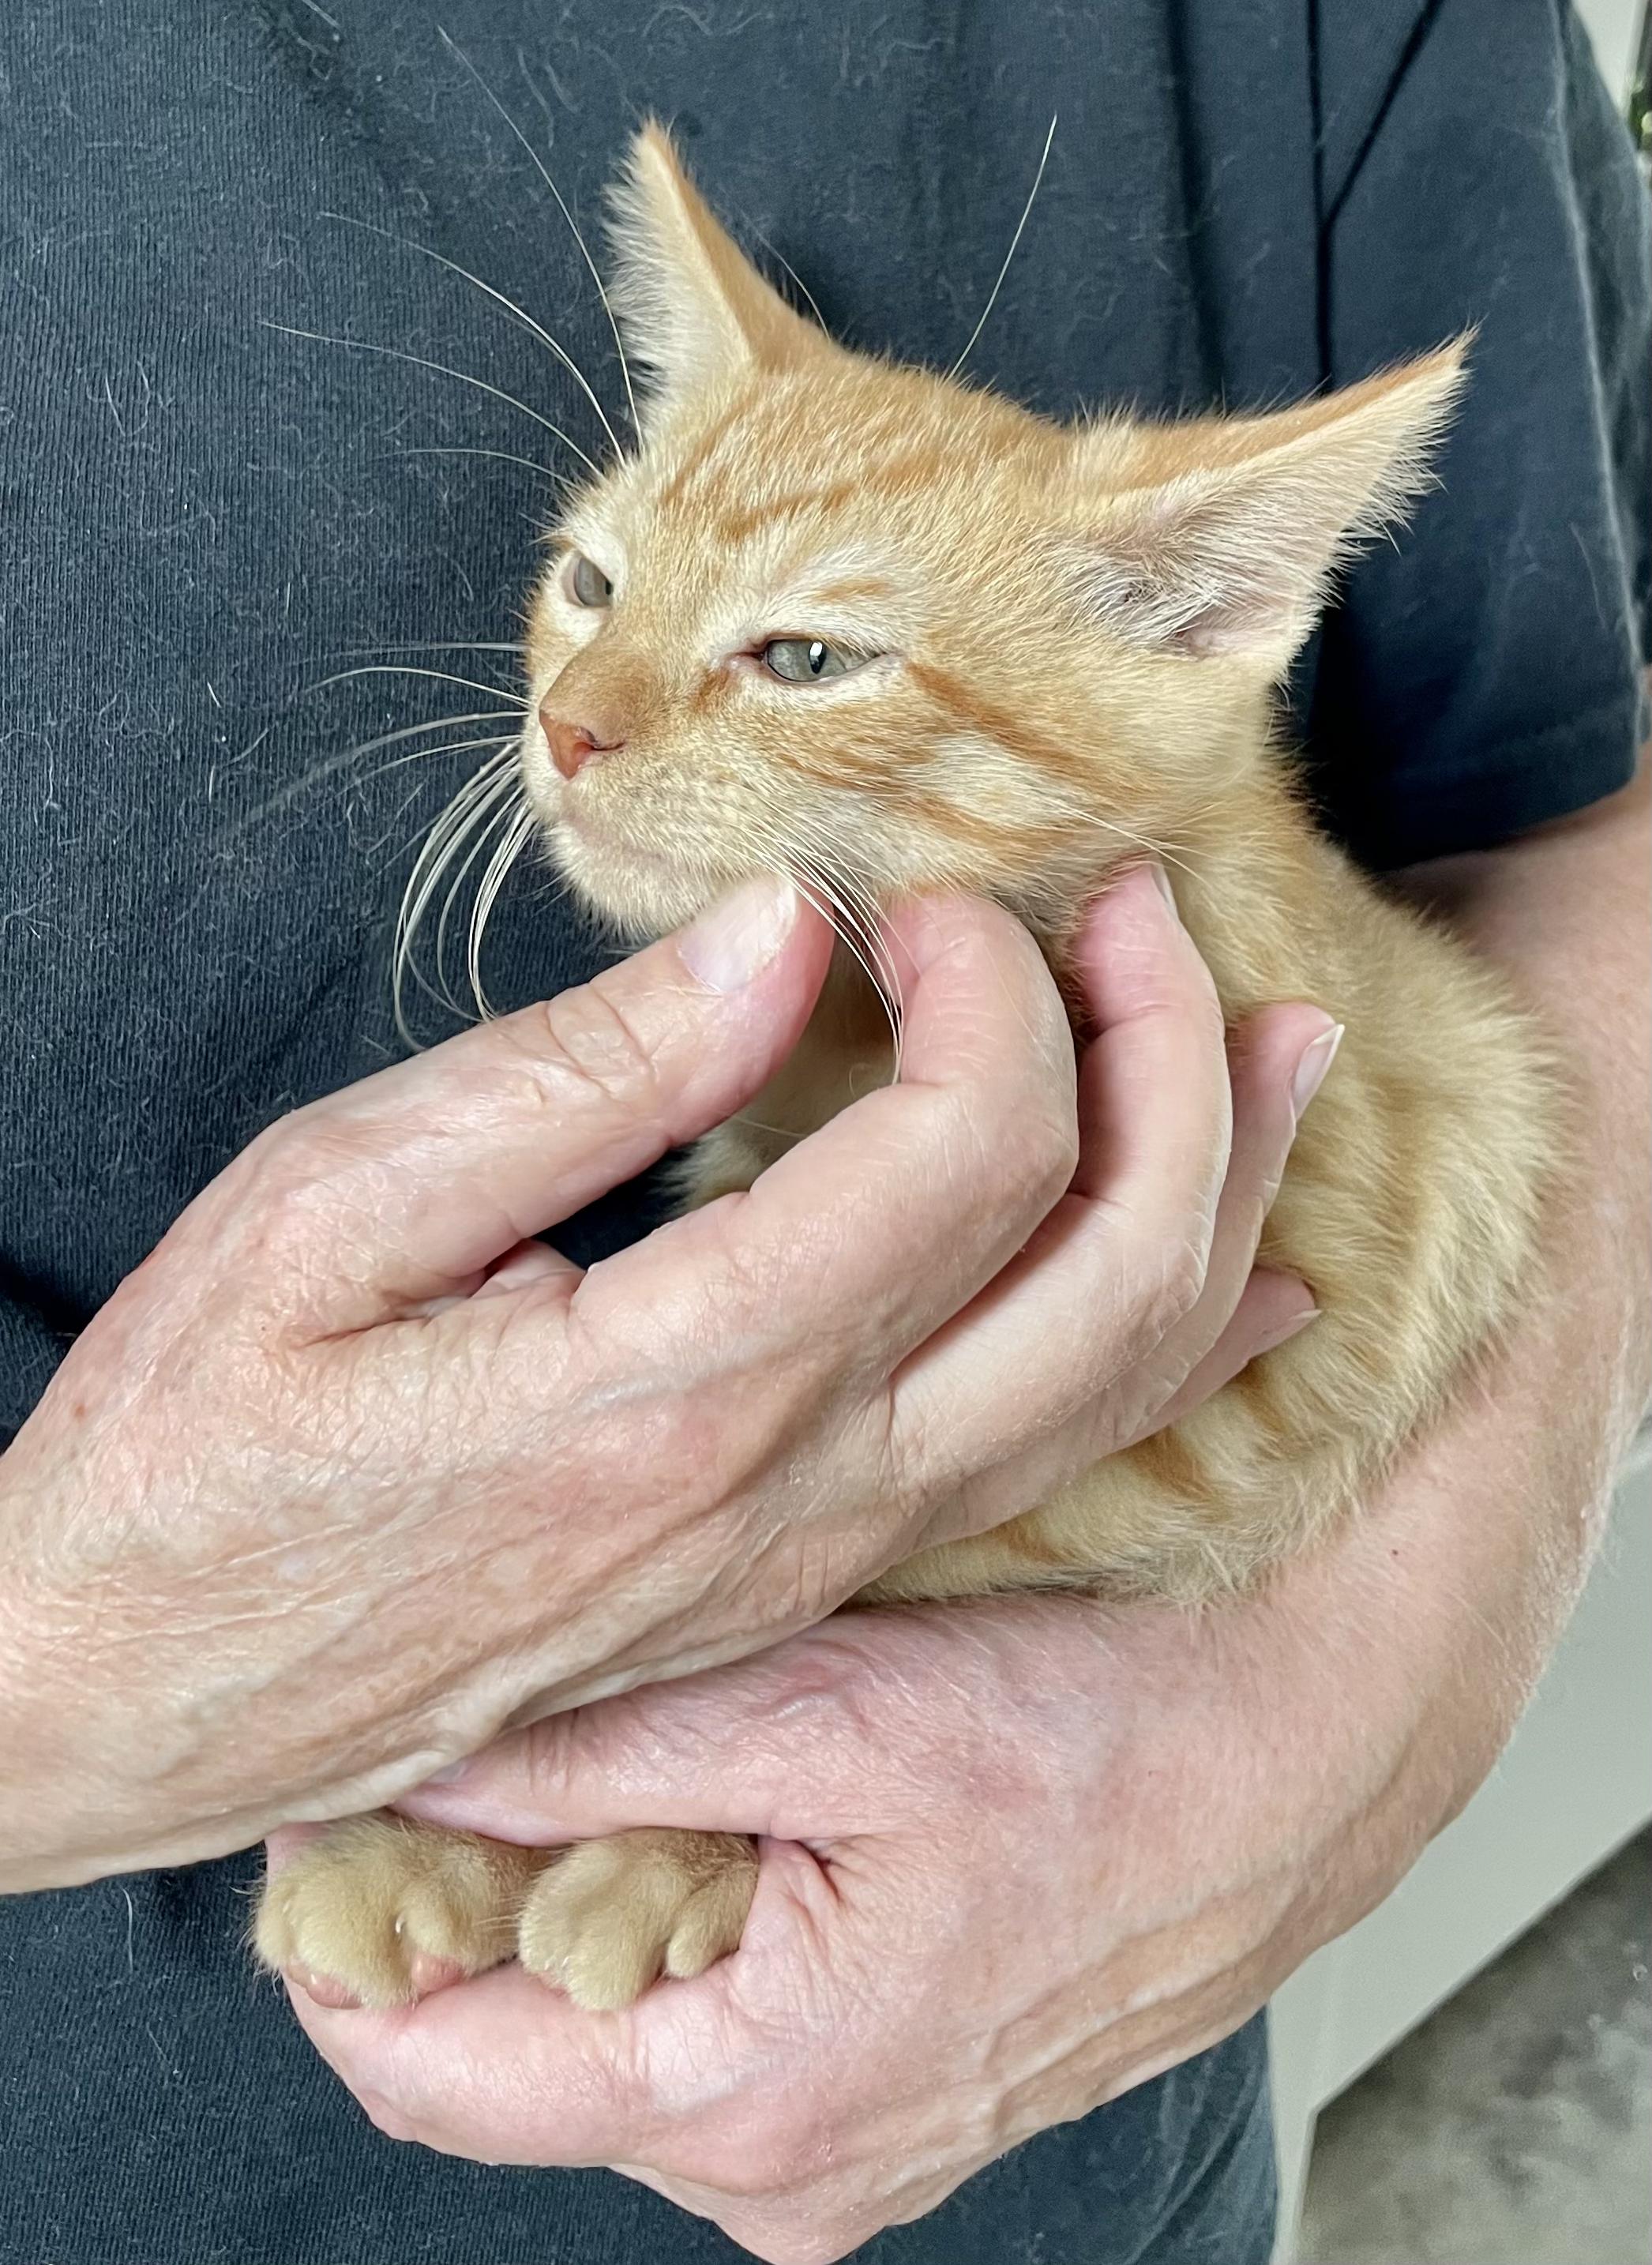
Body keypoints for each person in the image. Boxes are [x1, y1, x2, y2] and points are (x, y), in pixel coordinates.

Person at [0, 3, 1646, 2262]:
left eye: (792, 656)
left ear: (1189, 618)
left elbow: (1575, 861)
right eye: (596, 579)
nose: (578, 720)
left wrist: (1363, 1703)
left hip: (1041, 2157)